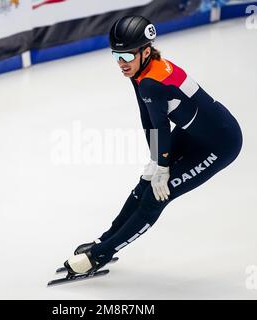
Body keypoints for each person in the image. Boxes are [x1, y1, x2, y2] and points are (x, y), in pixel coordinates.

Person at [63, 15, 243, 275]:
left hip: (221, 143)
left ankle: (101, 255)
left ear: (146, 52)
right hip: (195, 133)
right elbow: (147, 120)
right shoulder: (141, 71)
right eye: (116, 56)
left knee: (156, 197)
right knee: (145, 184)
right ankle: (104, 240)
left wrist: (163, 165)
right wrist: (157, 160)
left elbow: (160, 127)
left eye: (126, 56)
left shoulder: (151, 81)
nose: (121, 64)